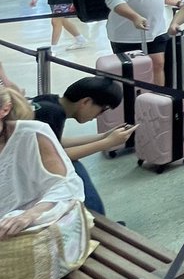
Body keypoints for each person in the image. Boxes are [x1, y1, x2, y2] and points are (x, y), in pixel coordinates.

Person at [0, 86, 92, 279]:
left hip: (38, 212)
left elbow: (65, 185)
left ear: (5, 109)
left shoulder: (33, 133)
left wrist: (30, 214)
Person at [30, 77, 130, 215]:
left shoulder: (48, 102)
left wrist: (103, 136)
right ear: (86, 101)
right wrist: (107, 143)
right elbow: (58, 156)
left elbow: (55, 142)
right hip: (24, 172)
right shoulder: (53, 113)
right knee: (75, 174)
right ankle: (97, 223)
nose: (97, 116)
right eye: (102, 110)